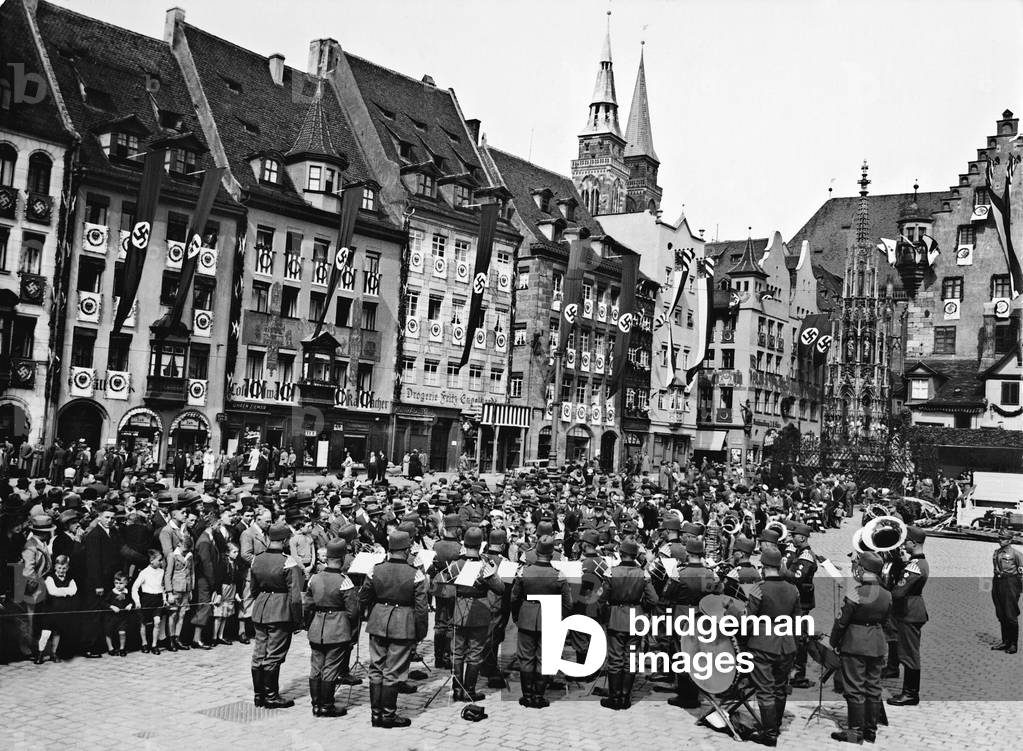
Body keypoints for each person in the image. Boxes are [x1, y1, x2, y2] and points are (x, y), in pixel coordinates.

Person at [359, 530, 429, 728]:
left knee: (376, 667)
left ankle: (376, 715)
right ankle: (388, 716)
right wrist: (420, 631)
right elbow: (422, 609)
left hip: (378, 621)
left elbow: (363, 597)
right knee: (393, 670)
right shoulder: (415, 574)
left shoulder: (375, 569)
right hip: (403, 623)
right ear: (407, 550)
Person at [830, 551, 892, 745]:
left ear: (864, 569)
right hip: (877, 642)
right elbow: (887, 621)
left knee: (855, 688)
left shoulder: (855, 593)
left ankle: (855, 732)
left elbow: (842, 621)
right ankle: (870, 730)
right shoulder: (887, 594)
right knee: (873, 687)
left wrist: (833, 642)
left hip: (855, 643)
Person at [745, 546, 800, 746]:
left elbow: (748, 620)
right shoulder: (793, 589)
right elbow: (798, 619)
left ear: (763, 566)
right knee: (779, 687)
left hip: (763, 643)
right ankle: (774, 725)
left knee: (765, 689)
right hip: (787, 644)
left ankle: (769, 734)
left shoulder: (758, 588)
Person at [510, 535, 572, 708]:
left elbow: (514, 598)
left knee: (526, 658)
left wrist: (516, 616)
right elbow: (568, 603)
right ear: (552, 553)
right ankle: (538, 695)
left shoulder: (524, 571)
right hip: (550, 617)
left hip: (527, 615)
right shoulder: (558, 575)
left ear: (536, 552)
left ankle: (527, 695)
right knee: (544, 659)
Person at [249, 523, 305, 709]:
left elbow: (253, 589)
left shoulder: (257, 559)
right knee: (274, 654)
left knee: (259, 653)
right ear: (285, 540)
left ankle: (259, 695)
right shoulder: (288, 562)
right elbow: (295, 596)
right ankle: (271, 696)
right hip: (280, 610)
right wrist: (298, 620)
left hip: (261, 608)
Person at [598, 539, 658, 710]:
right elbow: (653, 599)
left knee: (615, 658)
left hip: (616, 617)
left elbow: (601, 598)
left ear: (621, 553)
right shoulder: (643, 573)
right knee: (631, 658)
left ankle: (615, 697)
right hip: (636, 617)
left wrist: (604, 615)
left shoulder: (611, 572)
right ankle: (625, 697)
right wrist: (641, 608)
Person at [305, 538, 360, 717]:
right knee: (330, 667)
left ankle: (316, 704)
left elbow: (307, 605)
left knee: (316, 666)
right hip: (336, 629)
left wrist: (311, 624)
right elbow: (353, 611)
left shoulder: (315, 578)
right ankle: (327, 706)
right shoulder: (344, 581)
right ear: (342, 558)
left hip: (317, 627)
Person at [449, 526, 504, 702]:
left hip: (459, 609)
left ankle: (457, 689)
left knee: (457, 651)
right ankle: (469, 690)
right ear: (481, 545)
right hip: (480, 609)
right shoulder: (485, 564)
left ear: (464, 543)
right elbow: (500, 589)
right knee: (475, 651)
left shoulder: (456, 564)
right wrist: (493, 575)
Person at [888, 526, 928, 706]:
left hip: (909, 612)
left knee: (909, 653)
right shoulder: (917, 564)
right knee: (907, 651)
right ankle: (909, 692)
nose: (904, 545)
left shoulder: (914, 567)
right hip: (911, 610)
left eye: (906, 542)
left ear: (914, 543)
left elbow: (898, 592)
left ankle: (911, 693)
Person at [783, 522, 817, 689]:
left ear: (802, 537)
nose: (791, 537)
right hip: (795, 601)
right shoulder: (798, 552)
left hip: (802, 603)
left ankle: (798, 673)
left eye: (794, 535)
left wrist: (781, 569)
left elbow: (797, 577)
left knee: (800, 639)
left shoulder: (806, 556)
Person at [36, 554, 77, 663]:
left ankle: (53, 654)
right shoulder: (50, 578)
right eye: (59, 568)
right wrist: (66, 591)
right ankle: (40, 654)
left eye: (64, 568)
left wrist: (61, 591)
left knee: (57, 632)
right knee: (46, 633)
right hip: (49, 610)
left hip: (61, 610)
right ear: (55, 567)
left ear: (67, 568)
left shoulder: (70, 578)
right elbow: (53, 591)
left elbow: (74, 590)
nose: (61, 570)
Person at [191, 517, 223, 649]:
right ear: (211, 524)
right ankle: (196, 639)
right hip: (204, 579)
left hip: (207, 578)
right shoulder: (204, 540)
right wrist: (213, 582)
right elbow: (206, 563)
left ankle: (199, 637)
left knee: (205, 607)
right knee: (203, 607)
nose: (219, 527)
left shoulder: (209, 538)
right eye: (218, 524)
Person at [991, 530, 1023, 653]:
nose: (1000, 540)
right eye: (999, 538)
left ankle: (1013, 644)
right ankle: (1005, 642)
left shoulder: (1016, 554)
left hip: (1010, 583)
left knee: (1011, 615)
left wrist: (1018, 590)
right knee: (1001, 614)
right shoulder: (997, 552)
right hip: (998, 583)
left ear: (1010, 540)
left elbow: (1022, 574)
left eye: (1003, 538)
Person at [163, 534, 194, 652]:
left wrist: (190, 589)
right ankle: (170, 639)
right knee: (173, 614)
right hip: (175, 589)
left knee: (182, 614)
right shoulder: (173, 556)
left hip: (186, 589)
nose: (186, 552)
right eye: (184, 549)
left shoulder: (190, 556)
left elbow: (191, 573)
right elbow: (168, 575)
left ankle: (177, 638)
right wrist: (169, 592)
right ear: (179, 545)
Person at [131, 551, 165, 655]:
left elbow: (163, 587)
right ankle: (144, 644)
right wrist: (137, 601)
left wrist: (164, 599)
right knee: (143, 623)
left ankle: (154, 645)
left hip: (158, 599)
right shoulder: (144, 573)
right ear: (151, 561)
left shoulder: (162, 572)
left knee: (157, 622)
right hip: (146, 599)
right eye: (159, 560)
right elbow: (134, 588)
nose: (161, 562)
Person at [213, 542, 241, 646]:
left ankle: (221, 636)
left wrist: (237, 593)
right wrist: (219, 594)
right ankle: (214, 636)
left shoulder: (236, 564)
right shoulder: (223, 564)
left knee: (225, 615)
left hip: (232, 589)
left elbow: (238, 580)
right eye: (234, 552)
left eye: (237, 552)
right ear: (228, 553)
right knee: (219, 615)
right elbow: (218, 580)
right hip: (223, 589)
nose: (236, 554)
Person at [105, 570, 134, 656]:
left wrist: (130, 604)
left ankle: (122, 648)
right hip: (111, 617)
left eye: (121, 583)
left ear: (126, 583)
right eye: (116, 583)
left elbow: (132, 600)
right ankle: (111, 649)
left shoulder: (127, 593)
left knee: (122, 633)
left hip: (122, 617)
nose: (118, 585)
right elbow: (104, 603)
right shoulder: (111, 593)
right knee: (108, 632)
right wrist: (112, 607)